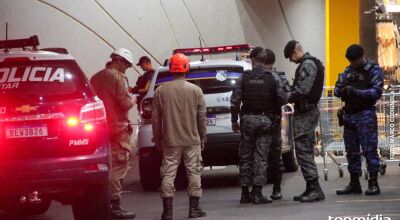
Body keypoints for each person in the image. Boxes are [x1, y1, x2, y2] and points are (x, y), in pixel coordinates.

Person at [152, 53, 207, 220]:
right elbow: (201, 117)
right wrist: (202, 137)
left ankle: (167, 212)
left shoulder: (160, 91)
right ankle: (194, 209)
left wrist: (158, 138)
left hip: (170, 140)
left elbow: (155, 118)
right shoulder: (196, 91)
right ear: (186, 68)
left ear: (170, 68)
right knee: (194, 171)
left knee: (168, 173)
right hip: (192, 139)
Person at [231, 47, 287, 204]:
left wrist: (234, 119)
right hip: (265, 121)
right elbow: (283, 98)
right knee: (261, 157)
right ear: (265, 60)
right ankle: (257, 193)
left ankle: (244, 193)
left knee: (245, 157)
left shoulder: (244, 77)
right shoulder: (272, 77)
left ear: (252, 59)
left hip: (247, 120)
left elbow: (235, 100)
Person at [90, 48, 136, 219]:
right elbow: (124, 104)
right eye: (127, 65)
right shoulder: (118, 77)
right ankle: (114, 206)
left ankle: (102, 204)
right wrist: (134, 99)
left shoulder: (95, 77)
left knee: (103, 166)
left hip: (99, 130)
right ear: (119, 61)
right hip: (117, 129)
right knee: (118, 167)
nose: (126, 69)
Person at [334, 44, 384, 196]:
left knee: (369, 150)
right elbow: (337, 89)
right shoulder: (348, 71)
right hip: (349, 115)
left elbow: (376, 91)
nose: (353, 64)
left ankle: (373, 183)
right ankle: (354, 183)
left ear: (362, 56)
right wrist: (342, 91)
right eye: (351, 61)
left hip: (365, 114)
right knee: (351, 151)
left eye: (355, 61)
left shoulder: (373, 70)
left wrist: (356, 92)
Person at [283, 40, 325, 202]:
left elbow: (304, 89)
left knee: (303, 151)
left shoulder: (308, 64)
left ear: (295, 51)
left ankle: (315, 189)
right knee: (304, 150)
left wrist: (287, 96)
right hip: (305, 112)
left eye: (290, 57)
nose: (291, 60)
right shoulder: (308, 63)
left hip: (306, 113)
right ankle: (310, 187)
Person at [264, 48, 291, 200]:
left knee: (262, 157)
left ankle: (258, 191)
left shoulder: (274, 77)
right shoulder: (279, 77)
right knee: (275, 155)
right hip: (273, 121)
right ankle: (276, 189)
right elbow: (287, 95)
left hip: (262, 122)